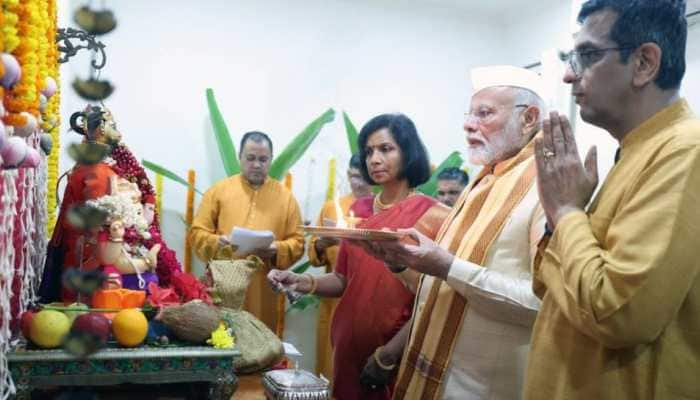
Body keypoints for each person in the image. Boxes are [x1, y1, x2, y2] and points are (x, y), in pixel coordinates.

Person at [524, 2, 700, 399]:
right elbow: (552, 288)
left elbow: (619, 314)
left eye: (587, 55)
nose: (570, 74)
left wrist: (567, 212)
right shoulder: (638, 150)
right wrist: (563, 218)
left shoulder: (685, 151)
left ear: (644, 63)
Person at [356, 66, 547, 399]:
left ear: (529, 119)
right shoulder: (485, 179)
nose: (468, 124)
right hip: (431, 375)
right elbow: (443, 287)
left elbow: (544, 304)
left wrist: (447, 266)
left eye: (484, 113)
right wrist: (400, 263)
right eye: (469, 114)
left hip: (481, 387)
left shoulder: (546, 186)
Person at [268, 113, 450, 400]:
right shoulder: (358, 212)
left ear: (409, 152)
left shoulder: (435, 216)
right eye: (368, 151)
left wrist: (389, 355)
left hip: (393, 354)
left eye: (385, 149)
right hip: (345, 349)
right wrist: (302, 282)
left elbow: (435, 300)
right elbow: (343, 279)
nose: (374, 159)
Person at [189, 131, 304, 332]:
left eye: (263, 159)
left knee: (260, 345)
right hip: (223, 287)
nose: (257, 165)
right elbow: (197, 234)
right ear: (240, 157)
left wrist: (277, 248)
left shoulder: (286, 198)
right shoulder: (219, 191)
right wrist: (219, 242)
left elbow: (298, 242)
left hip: (263, 290)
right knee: (222, 339)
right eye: (250, 158)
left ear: (270, 160)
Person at [308, 153, 372, 382]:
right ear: (348, 174)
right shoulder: (331, 208)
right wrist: (322, 244)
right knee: (329, 363)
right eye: (354, 176)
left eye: (363, 176)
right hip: (334, 297)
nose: (359, 182)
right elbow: (314, 254)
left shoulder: (382, 209)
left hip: (369, 301)